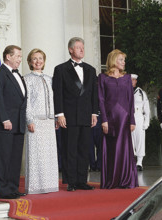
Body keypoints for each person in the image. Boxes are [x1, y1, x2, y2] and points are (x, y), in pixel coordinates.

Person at [52, 37, 98, 192]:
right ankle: (71, 181)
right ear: (70, 50)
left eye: (83, 47)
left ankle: (81, 180)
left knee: (84, 149)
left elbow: (94, 94)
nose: (82, 50)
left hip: (86, 115)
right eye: (78, 47)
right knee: (69, 149)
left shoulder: (91, 70)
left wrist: (94, 113)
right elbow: (57, 93)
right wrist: (59, 114)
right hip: (69, 116)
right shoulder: (61, 69)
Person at [0, 45, 26, 199]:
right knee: (3, 158)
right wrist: (4, 118)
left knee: (15, 159)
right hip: (5, 123)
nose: (20, 59)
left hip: (18, 123)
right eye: (17, 56)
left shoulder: (19, 75)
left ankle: (13, 188)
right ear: (8, 57)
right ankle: (4, 190)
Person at [98, 49, 138, 189]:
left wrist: (132, 120)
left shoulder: (127, 78)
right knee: (110, 148)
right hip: (109, 118)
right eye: (121, 59)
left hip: (124, 117)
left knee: (124, 148)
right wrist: (103, 119)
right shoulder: (102, 78)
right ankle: (111, 180)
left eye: (124, 60)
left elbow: (130, 100)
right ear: (114, 60)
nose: (123, 62)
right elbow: (101, 100)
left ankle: (125, 180)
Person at [24, 48, 59, 194]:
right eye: (35, 59)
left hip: (49, 121)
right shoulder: (27, 79)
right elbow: (26, 102)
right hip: (36, 122)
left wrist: (56, 117)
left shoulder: (50, 78)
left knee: (49, 154)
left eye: (40, 58)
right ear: (30, 62)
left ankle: (50, 184)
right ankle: (35, 187)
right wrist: (29, 119)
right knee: (36, 154)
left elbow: (54, 99)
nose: (38, 61)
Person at [130, 74, 150, 171]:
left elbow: (146, 108)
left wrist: (146, 122)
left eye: (134, 80)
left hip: (138, 117)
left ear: (136, 81)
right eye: (131, 80)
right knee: (130, 140)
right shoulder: (125, 91)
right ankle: (131, 161)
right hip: (129, 118)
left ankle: (139, 162)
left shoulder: (141, 92)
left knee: (140, 140)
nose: (132, 81)